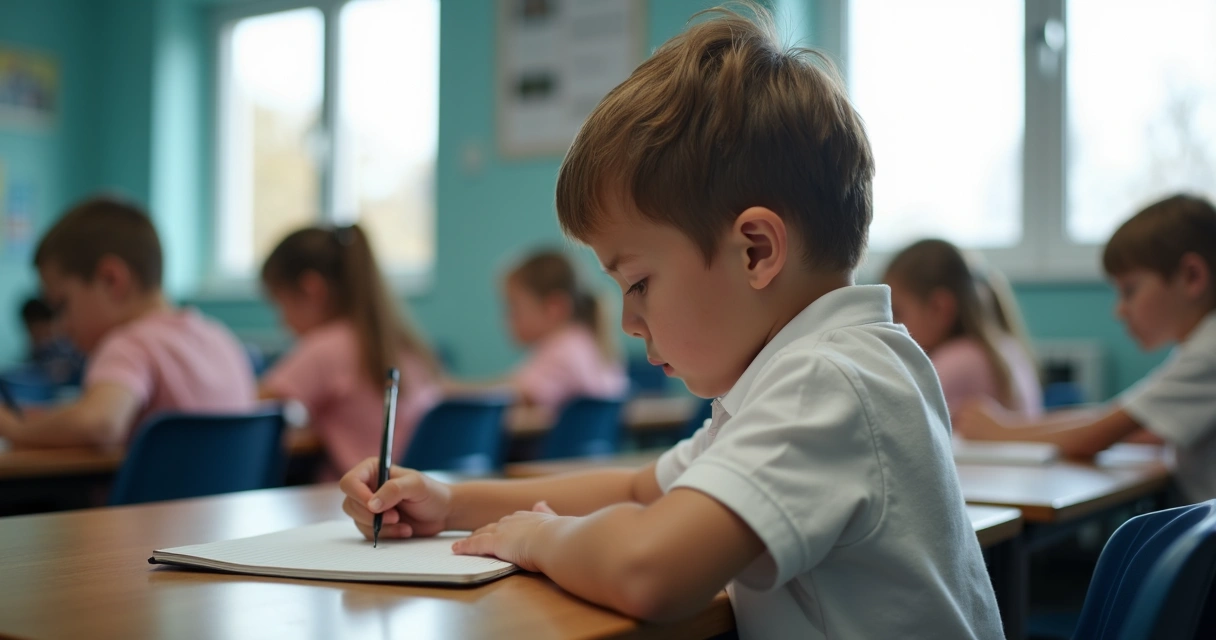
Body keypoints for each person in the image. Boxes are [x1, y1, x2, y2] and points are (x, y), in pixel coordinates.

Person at [337, 5, 1002, 637]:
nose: (628, 321)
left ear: (757, 251)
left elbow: (647, 569)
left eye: (639, 283)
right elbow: (637, 488)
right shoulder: (821, 371)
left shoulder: (827, 383)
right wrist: (450, 502)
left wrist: (536, 537)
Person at [956, 194, 1216, 503]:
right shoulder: (1198, 348)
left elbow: (1096, 435)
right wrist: (1013, 426)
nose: (1119, 311)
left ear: (1192, 276)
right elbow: (1128, 426)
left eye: (1130, 290)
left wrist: (1000, 432)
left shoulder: (1208, 350)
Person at [0, 196, 255, 446]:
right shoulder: (220, 338)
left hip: (159, 490)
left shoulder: (129, 344)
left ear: (112, 280)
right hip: (232, 490)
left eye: (62, 305)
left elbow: (100, 423)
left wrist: (15, 428)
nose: (61, 326)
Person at [259, 224, 441, 481]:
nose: (281, 321)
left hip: (347, 506)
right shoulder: (404, 344)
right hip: (409, 498)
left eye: (280, 304)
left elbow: (247, 414)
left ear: (312, 289)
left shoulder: (326, 348)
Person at [444, 249, 627, 412]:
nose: (506, 319)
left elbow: (516, 394)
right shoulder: (586, 342)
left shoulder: (563, 350)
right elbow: (513, 384)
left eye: (513, 308)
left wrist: (450, 390)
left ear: (554, 308)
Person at [884, 238, 1042, 419]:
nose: (891, 324)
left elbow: (897, 418)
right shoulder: (1006, 345)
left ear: (939, 308)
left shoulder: (958, 361)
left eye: (897, 312)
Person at [19, 296, 85, 385]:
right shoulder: (35, 354)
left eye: (42, 330)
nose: (37, 335)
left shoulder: (71, 349)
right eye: (31, 330)